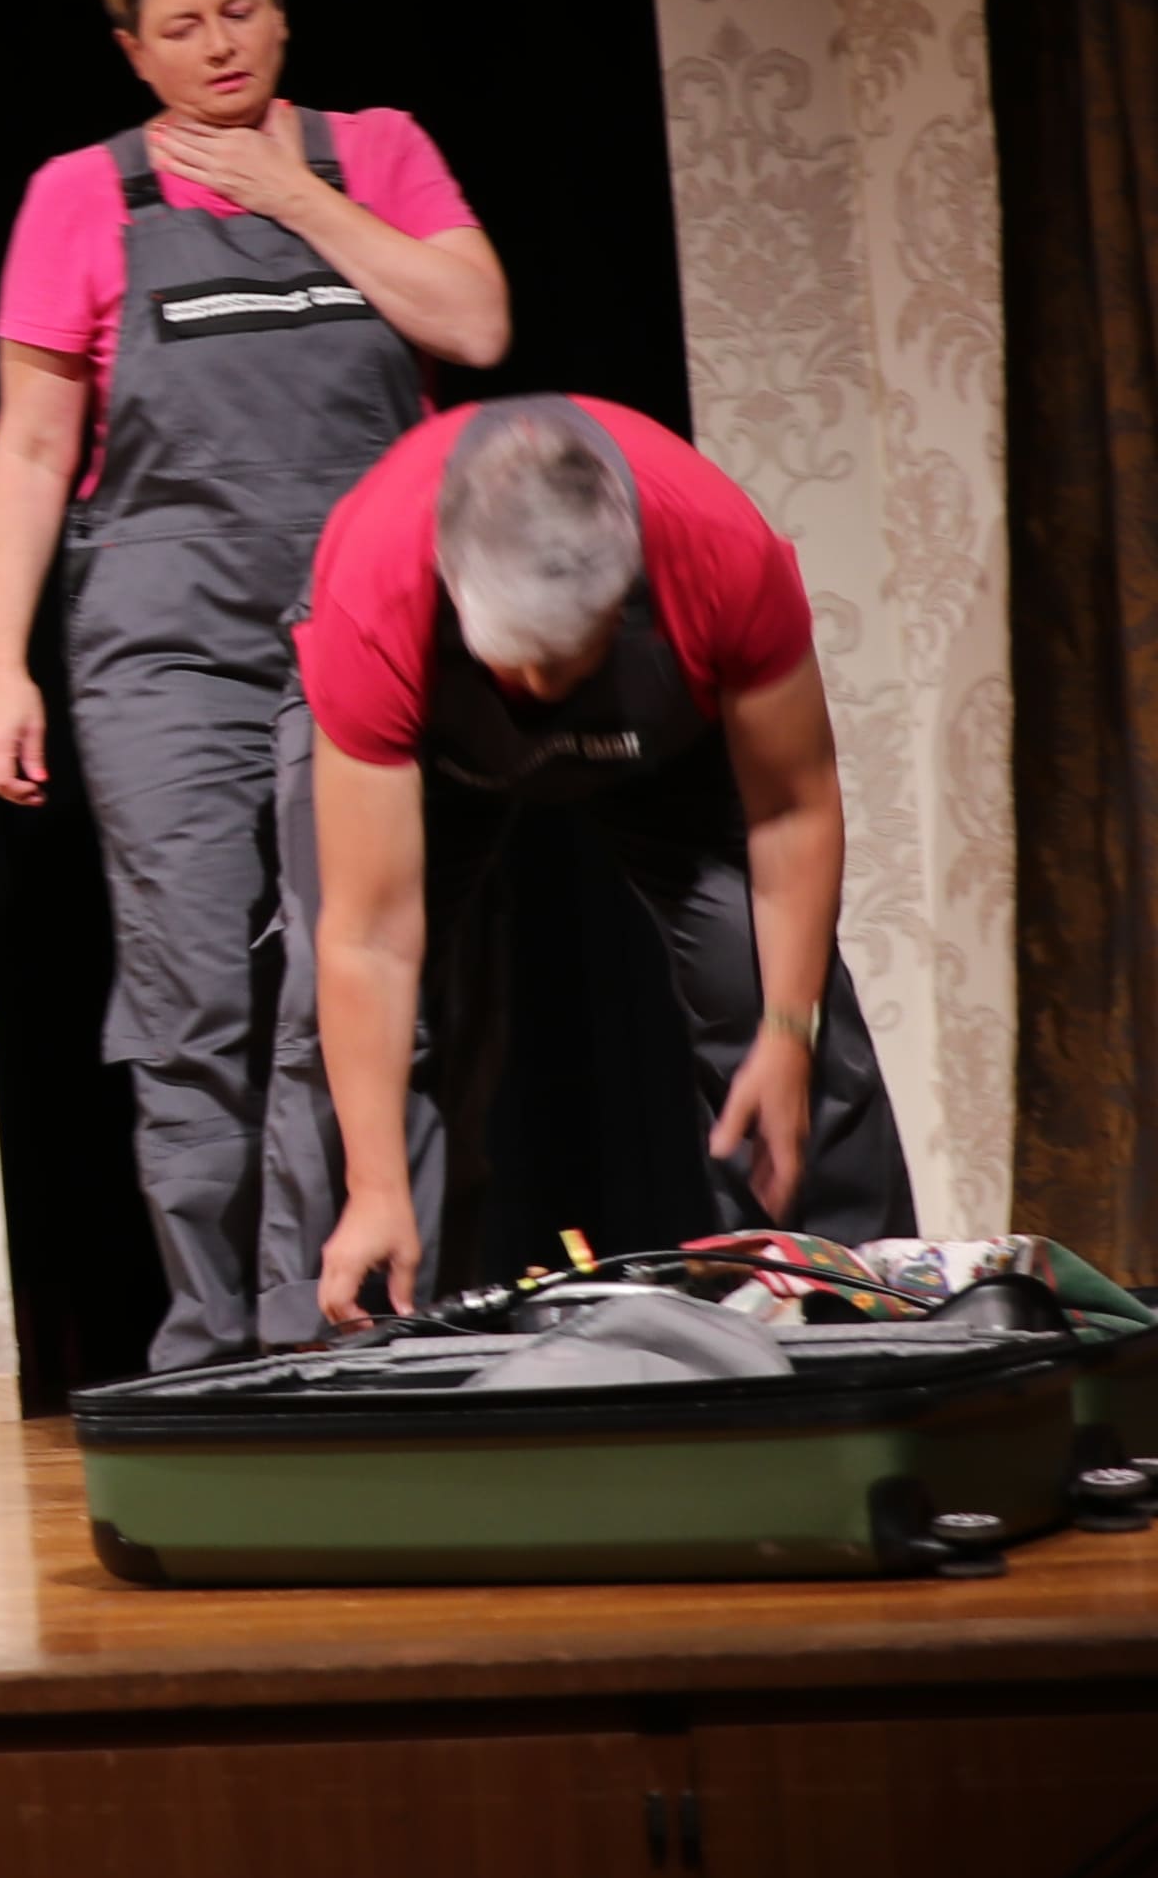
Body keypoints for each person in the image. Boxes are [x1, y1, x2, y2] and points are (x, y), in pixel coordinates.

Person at [0, 0, 506, 1366]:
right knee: (194, 990)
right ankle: (215, 1346)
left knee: (357, 977)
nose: (218, 46)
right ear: (132, 50)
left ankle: (355, 1323)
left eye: (240, 11)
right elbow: (32, 445)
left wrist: (299, 201)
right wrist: (2, 665)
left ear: (282, 12)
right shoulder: (79, 195)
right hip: (163, 640)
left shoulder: (374, 153)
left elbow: (473, 325)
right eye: (182, 25)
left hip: (363, 626)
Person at [293, 394, 915, 1330]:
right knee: (345, 1027)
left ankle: (850, 1319)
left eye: (565, 664)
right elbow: (369, 938)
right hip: (431, 751)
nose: (539, 691)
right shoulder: (375, 594)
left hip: (662, 741)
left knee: (767, 983)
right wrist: (375, 1180)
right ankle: (368, 1329)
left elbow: (791, 810)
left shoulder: (716, 549)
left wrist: (788, 1033)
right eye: (515, 666)